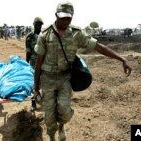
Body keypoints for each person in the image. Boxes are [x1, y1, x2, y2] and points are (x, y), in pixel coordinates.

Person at [33, 1, 132, 141]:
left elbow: (99, 47)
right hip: (47, 79)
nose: (66, 20)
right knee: (49, 117)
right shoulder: (45, 34)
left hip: (65, 78)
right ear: (56, 15)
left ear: (72, 16)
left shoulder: (76, 34)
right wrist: (36, 88)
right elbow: (38, 62)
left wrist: (122, 59)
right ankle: (52, 137)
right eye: (63, 17)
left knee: (65, 112)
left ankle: (62, 125)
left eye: (69, 17)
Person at [25, 17, 44, 112]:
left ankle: (43, 100)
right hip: (33, 63)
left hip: (44, 64)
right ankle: (33, 103)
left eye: (40, 25)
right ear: (33, 25)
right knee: (34, 83)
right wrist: (26, 65)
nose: (38, 27)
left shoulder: (44, 35)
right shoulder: (29, 37)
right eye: (37, 25)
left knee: (44, 82)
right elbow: (28, 52)